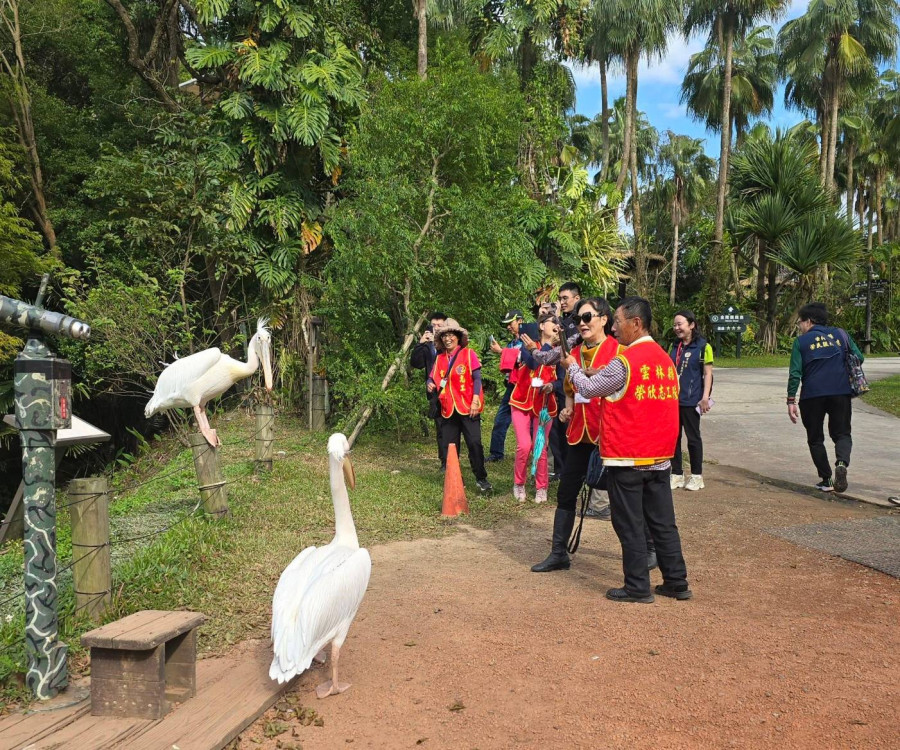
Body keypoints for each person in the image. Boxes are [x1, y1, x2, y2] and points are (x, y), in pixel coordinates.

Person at [564, 296, 691, 604]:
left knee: (629, 522)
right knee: (662, 522)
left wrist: (573, 367)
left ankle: (637, 586)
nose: (616, 329)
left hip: (628, 455)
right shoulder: (665, 360)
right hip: (660, 456)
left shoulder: (626, 362)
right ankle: (676, 581)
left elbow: (590, 389)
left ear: (636, 323)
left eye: (618, 322)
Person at [529, 297, 624, 573]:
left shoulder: (619, 352)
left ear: (604, 319)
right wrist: (567, 409)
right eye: (579, 319)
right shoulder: (574, 352)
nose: (581, 324)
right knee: (567, 492)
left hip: (608, 436)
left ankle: (645, 550)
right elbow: (570, 388)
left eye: (587, 318)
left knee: (622, 499)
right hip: (579, 434)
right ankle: (559, 552)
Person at [787, 302, 864, 494]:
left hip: (812, 395)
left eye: (800, 322)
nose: (799, 326)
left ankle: (827, 479)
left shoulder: (801, 342)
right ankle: (841, 463)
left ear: (809, 321)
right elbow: (859, 357)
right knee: (842, 433)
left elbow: (795, 373)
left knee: (815, 438)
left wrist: (790, 401)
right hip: (840, 391)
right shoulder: (841, 334)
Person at [428, 319, 493, 493]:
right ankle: (456, 481)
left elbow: (477, 379)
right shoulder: (440, 358)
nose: (448, 339)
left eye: (451, 335)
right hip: (448, 409)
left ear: (457, 337)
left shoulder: (468, 354)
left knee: (474, 443)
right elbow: (432, 377)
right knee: (450, 447)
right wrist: (430, 383)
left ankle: (481, 478)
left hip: (467, 406)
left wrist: (475, 401)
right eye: (444, 336)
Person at [509, 313, 560, 503]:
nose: (556, 325)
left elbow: (563, 379)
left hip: (544, 405)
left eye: (558, 322)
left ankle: (541, 487)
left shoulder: (560, 350)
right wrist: (546, 345)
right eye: (551, 322)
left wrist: (552, 386)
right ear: (541, 326)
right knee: (524, 446)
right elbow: (531, 362)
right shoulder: (528, 343)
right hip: (521, 401)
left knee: (540, 448)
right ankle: (519, 483)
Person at [485, 310, 539, 463]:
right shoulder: (512, 343)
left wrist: (501, 351)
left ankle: (531, 453)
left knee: (528, 422)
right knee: (501, 419)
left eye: (511, 323)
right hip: (511, 385)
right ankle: (496, 453)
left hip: (527, 386)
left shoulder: (530, 340)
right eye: (507, 324)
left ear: (520, 321)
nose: (508, 327)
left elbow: (526, 359)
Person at [669, 310, 714, 491]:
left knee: (693, 438)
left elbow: (708, 373)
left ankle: (696, 476)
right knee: (673, 438)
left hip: (692, 400)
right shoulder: (674, 346)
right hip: (673, 400)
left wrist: (705, 397)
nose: (677, 328)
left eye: (680, 324)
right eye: (675, 325)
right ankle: (677, 474)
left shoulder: (704, 347)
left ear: (692, 325)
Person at [411, 311, 448, 466]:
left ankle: (454, 457)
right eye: (433, 325)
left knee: (452, 426)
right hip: (434, 392)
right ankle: (444, 461)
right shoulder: (427, 346)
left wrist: (439, 344)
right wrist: (420, 343)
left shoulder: (450, 342)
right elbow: (416, 363)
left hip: (451, 390)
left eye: (439, 325)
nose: (436, 328)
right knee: (440, 426)